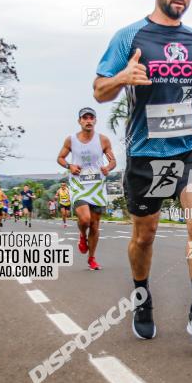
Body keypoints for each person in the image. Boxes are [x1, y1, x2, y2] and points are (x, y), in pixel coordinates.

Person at [92, 0, 192, 344]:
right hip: (147, 152)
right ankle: (142, 297)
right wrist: (124, 77)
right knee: (145, 235)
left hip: (190, 146)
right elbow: (99, 89)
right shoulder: (130, 35)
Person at [56, 107, 117, 270]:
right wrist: (70, 166)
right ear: (80, 121)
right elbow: (60, 158)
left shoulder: (103, 140)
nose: (88, 120)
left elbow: (113, 161)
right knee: (85, 220)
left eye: (91, 118)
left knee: (95, 226)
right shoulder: (71, 140)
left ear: (95, 121)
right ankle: (82, 235)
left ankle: (92, 258)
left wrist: (108, 168)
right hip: (79, 185)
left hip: (97, 186)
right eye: (85, 118)